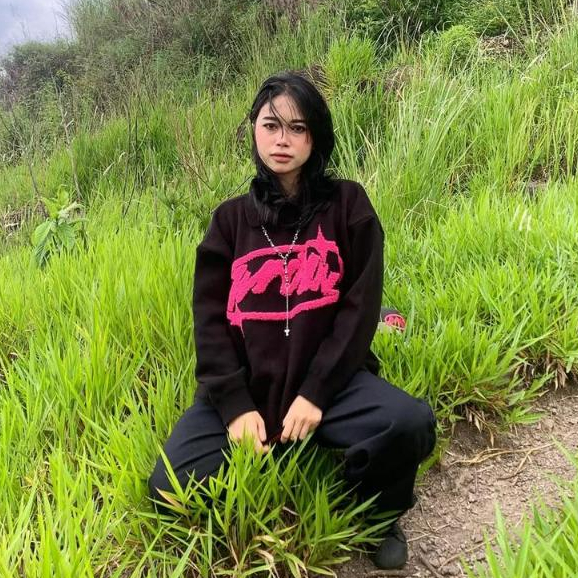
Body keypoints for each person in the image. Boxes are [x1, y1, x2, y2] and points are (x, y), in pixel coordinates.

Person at [148, 70, 437, 570]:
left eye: (298, 128)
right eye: (271, 125)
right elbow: (210, 322)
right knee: (167, 489)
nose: (282, 140)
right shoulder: (229, 221)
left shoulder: (349, 205)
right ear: (254, 130)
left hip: (331, 384)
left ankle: (376, 511)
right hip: (250, 385)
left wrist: (317, 392)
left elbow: (359, 310)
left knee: (408, 423)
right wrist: (235, 407)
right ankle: (271, 457)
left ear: (316, 136)